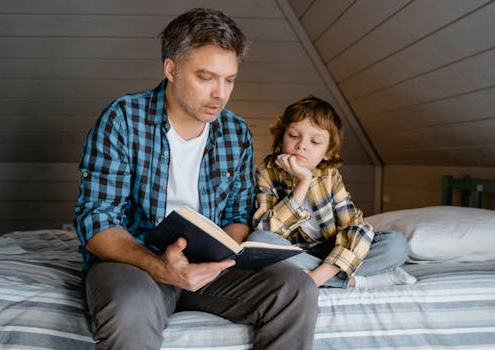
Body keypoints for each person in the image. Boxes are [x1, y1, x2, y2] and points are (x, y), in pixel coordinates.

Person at [74, 8, 318, 350]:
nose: (220, 93)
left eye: (229, 79)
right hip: (136, 263)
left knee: (297, 287)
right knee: (131, 305)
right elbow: (96, 220)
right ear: (171, 69)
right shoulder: (122, 119)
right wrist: (159, 266)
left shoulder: (236, 131)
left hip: (210, 269)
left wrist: (222, 258)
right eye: (206, 77)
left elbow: (236, 215)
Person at [251, 95, 416, 288]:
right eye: (294, 136)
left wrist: (318, 276)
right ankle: (356, 281)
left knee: (396, 244)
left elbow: (355, 226)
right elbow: (264, 229)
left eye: (315, 141)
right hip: (293, 253)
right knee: (258, 241)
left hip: (332, 252)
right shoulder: (267, 171)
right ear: (281, 138)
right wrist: (303, 182)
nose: (301, 145)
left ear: (327, 152)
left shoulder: (329, 175)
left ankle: (315, 279)